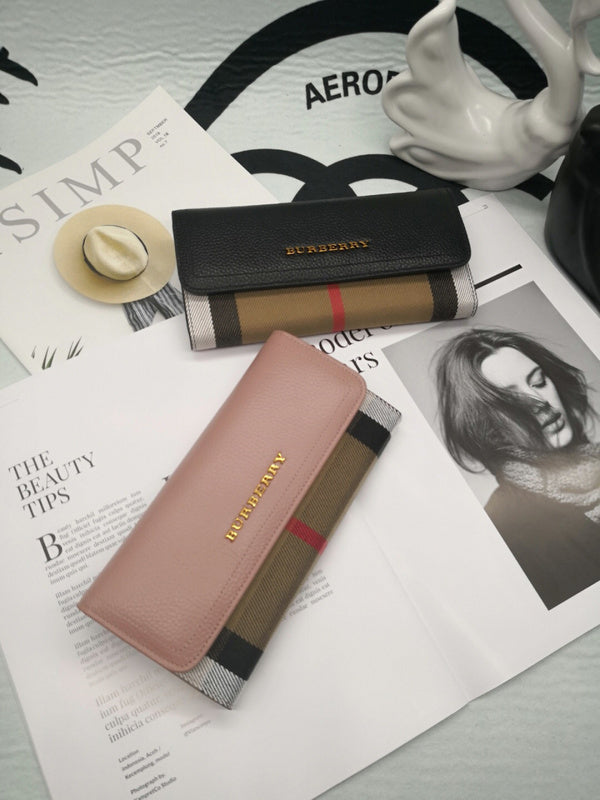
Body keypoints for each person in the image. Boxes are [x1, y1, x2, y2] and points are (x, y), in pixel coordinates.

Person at [434, 327, 600, 609]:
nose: (542, 403)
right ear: (484, 424)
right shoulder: (503, 529)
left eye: (539, 381)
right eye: (512, 400)